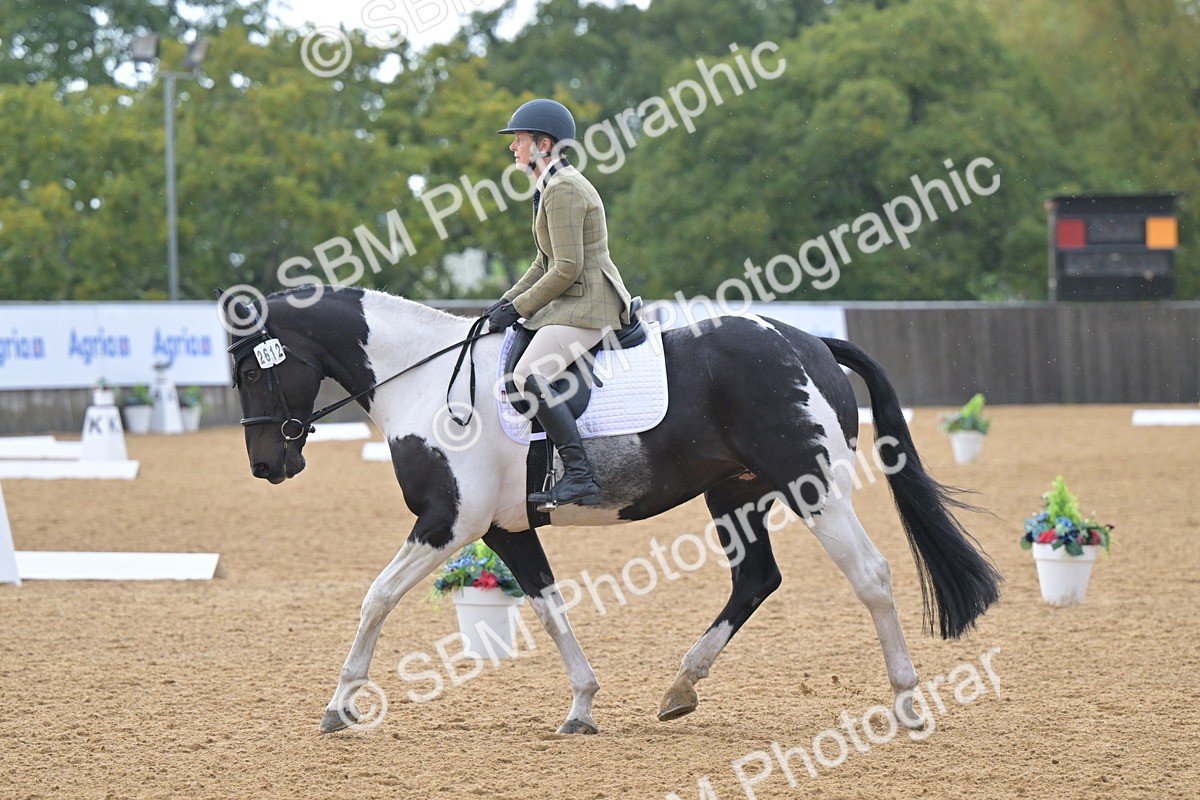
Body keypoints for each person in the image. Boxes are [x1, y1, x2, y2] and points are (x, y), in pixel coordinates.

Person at [486, 98, 633, 508]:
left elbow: (567, 268)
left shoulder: (564, 188)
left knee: (526, 375)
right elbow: (543, 262)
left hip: (590, 303)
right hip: (571, 299)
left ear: (544, 144)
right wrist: (505, 303)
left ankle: (581, 477)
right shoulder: (550, 184)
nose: (513, 148)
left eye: (519, 140)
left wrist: (519, 309)